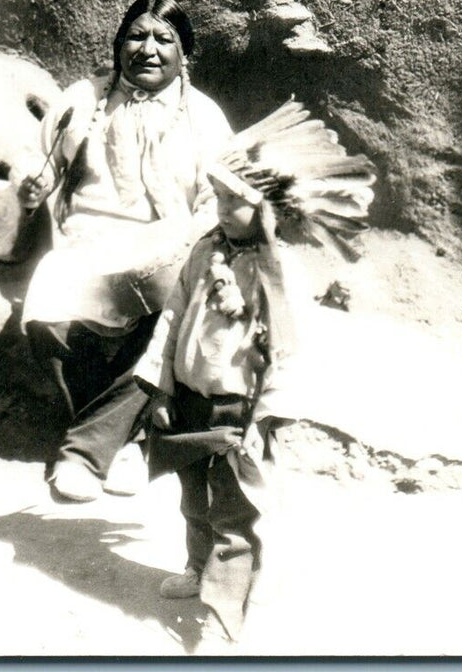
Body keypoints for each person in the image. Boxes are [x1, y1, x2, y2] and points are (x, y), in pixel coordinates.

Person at [132, 98, 376, 646]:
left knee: (233, 513)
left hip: (240, 413)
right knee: (193, 499)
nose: (219, 209)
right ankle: (198, 568)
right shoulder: (205, 253)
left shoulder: (281, 274)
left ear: (264, 208)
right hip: (190, 399)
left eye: (232, 200)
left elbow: (289, 353)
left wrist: (265, 420)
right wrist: (162, 388)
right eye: (215, 197)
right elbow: (173, 317)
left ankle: (223, 614)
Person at [16, 0, 233, 504]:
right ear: (118, 45)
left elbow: (216, 200)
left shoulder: (203, 117)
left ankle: (85, 453)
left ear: (184, 54)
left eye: (164, 39)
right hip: (87, 243)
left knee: (167, 314)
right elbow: (40, 159)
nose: (148, 49)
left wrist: (183, 249)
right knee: (47, 305)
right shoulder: (84, 98)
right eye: (136, 36)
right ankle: (127, 441)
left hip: (166, 245)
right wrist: (32, 185)